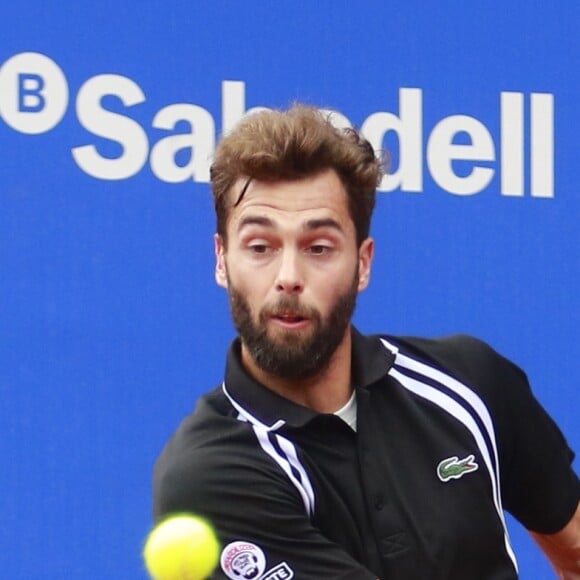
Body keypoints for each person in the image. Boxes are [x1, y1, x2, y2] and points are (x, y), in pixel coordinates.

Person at [152, 105, 579, 579]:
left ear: (363, 263)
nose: (288, 277)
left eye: (318, 248)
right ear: (221, 260)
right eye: (260, 247)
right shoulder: (210, 477)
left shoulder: (469, 382)